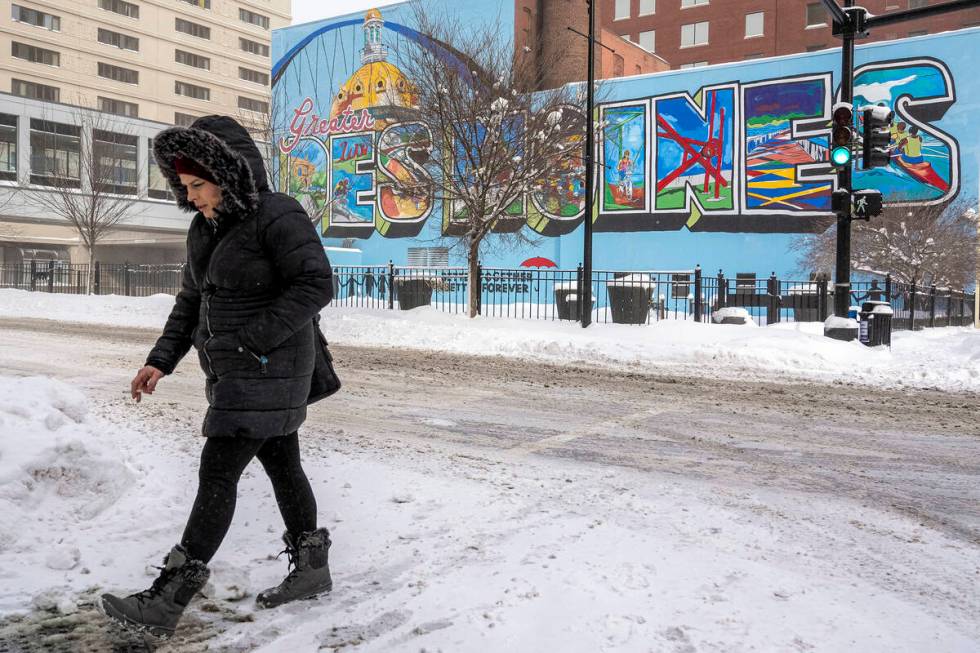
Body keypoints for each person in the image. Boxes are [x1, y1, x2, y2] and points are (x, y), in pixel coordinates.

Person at [99, 116, 335, 639]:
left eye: (198, 185)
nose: (193, 197)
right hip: (241, 371)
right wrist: (161, 359)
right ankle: (312, 570)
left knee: (217, 472)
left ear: (227, 173)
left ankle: (168, 598)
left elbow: (316, 283)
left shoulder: (278, 214)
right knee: (282, 462)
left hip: (270, 367)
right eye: (185, 188)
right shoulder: (206, 228)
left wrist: (250, 340)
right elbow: (191, 300)